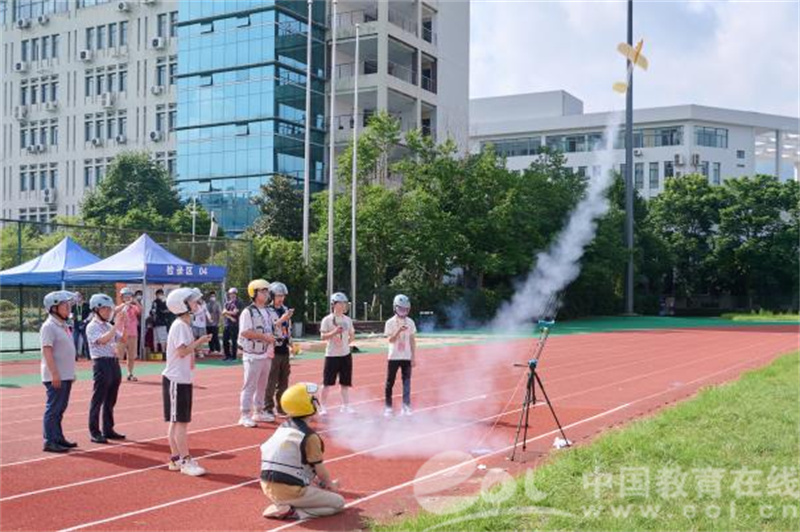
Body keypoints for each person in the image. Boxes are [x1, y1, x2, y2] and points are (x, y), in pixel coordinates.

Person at [260, 382, 344, 520]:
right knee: (338, 503)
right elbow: (319, 469)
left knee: (314, 487)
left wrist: (321, 484)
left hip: (266, 486)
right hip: (289, 490)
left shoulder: (283, 428)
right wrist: (330, 485)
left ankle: (283, 504)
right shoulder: (309, 436)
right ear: (308, 405)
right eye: (313, 400)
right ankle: (293, 512)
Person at [163, 287, 212, 476]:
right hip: (177, 379)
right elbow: (182, 351)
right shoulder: (180, 326)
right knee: (180, 422)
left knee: (176, 422)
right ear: (182, 305)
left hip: (180, 378)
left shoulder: (182, 324)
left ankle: (176, 458)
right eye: (192, 301)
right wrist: (200, 342)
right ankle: (185, 460)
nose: (196, 304)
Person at [40, 291, 78, 453]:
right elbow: (47, 351)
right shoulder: (49, 326)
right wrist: (55, 373)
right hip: (56, 375)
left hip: (65, 374)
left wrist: (70, 372)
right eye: (64, 305)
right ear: (54, 308)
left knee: (60, 408)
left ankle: (58, 437)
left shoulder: (62, 325)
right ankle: (50, 440)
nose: (68, 307)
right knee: (54, 408)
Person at [86, 293, 126, 443]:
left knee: (111, 399)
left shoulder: (109, 325)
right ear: (96, 309)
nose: (109, 312)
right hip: (101, 363)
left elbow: (122, 338)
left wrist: (123, 322)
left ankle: (108, 429)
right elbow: (102, 340)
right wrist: (116, 325)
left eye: (110, 309)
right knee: (98, 399)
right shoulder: (92, 326)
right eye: (105, 309)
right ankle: (95, 431)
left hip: (113, 362)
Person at [238, 279, 276, 427]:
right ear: (254, 293)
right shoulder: (248, 312)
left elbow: (270, 328)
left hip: (266, 353)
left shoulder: (267, 311)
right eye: (263, 291)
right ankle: (244, 414)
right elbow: (245, 332)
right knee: (250, 386)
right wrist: (264, 337)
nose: (266, 294)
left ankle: (258, 412)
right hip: (252, 354)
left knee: (262, 385)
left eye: (267, 291)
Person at [319, 292, 356, 415]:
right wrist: (334, 332)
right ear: (334, 304)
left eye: (344, 303)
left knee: (345, 383)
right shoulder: (327, 320)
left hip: (345, 355)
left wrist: (348, 341)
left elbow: (351, 334)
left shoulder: (348, 320)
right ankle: (322, 407)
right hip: (331, 355)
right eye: (340, 303)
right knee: (327, 383)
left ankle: (346, 406)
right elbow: (323, 336)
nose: (343, 306)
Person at [264, 282, 294, 418]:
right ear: (271, 296)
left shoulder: (285, 309)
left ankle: (281, 406)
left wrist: (290, 340)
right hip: (273, 349)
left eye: (283, 296)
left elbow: (287, 327)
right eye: (278, 295)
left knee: (284, 380)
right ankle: (268, 407)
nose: (281, 298)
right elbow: (269, 328)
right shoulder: (267, 311)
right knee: (271, 380)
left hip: (284, 348)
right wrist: (281, 320)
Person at [383, 294, 417, 417]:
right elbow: (390, 340)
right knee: (389, 382)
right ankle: (388, 407)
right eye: (400, 308)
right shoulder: (390, 322)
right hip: (394, 357)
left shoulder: (411, 322)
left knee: (406, 383)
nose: (403, 311)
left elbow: (412, 340)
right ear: (395, 308)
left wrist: (413, 357)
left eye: (405, 309)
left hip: (406, 357)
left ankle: (406, 407)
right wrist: (399, 330)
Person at [115, 286, 142, 381]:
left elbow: (140, 311)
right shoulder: (119, 307)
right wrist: (125, 305)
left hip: (133, 334)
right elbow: (115, 311)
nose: (127, 298)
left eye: (129, 296)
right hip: (121, 334)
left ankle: (130, 373)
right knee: (118, 356)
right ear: (121, 297)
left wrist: (136, 301)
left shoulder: (133, 307)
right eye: (125, 296)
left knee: (131, 356)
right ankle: (116, 374)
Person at [222, 287, 243, 361]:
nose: (232, 295)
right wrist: (230, 317)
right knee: (225, 340)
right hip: (227, 324)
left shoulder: (239, 302)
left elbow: (235, 312)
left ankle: (233, 356)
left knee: (234, 341)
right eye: (231, 294)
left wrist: (226, 312)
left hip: (235, 325)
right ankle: (227, 355)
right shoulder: (227, 302)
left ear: (236, 294)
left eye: (233, 293)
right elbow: (223, 312)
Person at [71, 292, 90, 359]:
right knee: (74, 340)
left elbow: (91, 314)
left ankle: (88, 355)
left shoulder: (86, 305)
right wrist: (71, 318)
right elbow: (71, 314)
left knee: (86, 341)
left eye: (77, 297)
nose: (76, 298)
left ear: (81, 297)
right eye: (75, 297)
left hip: (84, 325)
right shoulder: (73, 306)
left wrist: (86, 320)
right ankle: (75, 356)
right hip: (76, 325)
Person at [151, 288, 170, 354]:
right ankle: (164, 352)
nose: (161, 295)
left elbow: (151, 312)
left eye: (161, 294)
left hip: (155, 323)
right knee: (162, 338)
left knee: (156, 339)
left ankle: (156, 352)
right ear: (156, 295)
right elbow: (165, 311)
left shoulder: (154, 302)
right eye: (160, 294)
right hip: (161, 322)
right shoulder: (161, 302)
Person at [205, 290, 222, 357]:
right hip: (208, 324)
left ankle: (218, 350)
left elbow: (220, 313)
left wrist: (219, 322)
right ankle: (211, 349)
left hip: (215, 324)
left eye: (213, 296)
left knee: (215, 337)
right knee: (209, 338)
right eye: (211, 296)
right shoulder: (207, 304)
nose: (212, 297)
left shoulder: (217, 304)